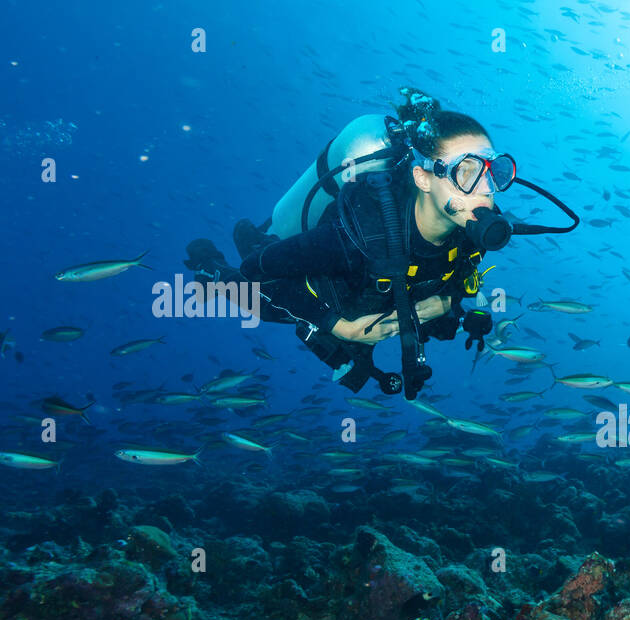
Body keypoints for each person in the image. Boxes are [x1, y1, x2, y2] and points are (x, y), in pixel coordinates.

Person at [184, 88, 529, 397]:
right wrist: (340, 326)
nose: (486, 188)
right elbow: (258, 272)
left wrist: (450, 302)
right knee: (252, 290)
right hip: (322, 289)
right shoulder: (356, 237)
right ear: (422, 178)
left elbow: (462, 276)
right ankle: (212, 265)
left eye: (493, 171)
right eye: (467, 171)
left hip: (384, 296)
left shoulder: (474, 223)